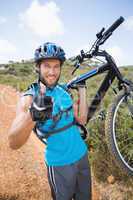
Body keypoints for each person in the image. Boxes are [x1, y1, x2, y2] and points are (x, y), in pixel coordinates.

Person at [8, 42, 91, 200]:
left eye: (56, 66)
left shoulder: (64, 91)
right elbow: (13, 142)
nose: (52, 72)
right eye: (47, 66)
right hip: (60, 165)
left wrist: (82, 91)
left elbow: (82, 119)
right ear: (38, 67)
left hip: (82, 157)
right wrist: (33, 113)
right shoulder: (30, 96)